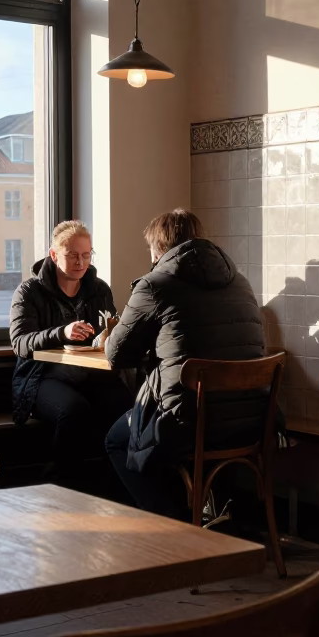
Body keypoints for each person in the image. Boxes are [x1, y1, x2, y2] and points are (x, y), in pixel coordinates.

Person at [104, 209, 265, 519]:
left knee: (116, 440)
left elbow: (116, 355)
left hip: (189, 423)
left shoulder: (154, 285)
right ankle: (206, 517)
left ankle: (175, 527)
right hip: (250, 419)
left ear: (158, 247)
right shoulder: (240, 282)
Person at [9, 221, 131, 473]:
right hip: (41, 376)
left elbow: (113, 328)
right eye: (72, 255)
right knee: (74, 412)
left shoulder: (98, 289)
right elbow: (20, 343)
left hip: (91, 375)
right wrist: (61, 333)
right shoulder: (29, 291)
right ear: (54, 255)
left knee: (126, 407)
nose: (80, 262)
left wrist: (112, 333)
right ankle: (61, 484)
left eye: (86, 255)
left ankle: (115, 485)